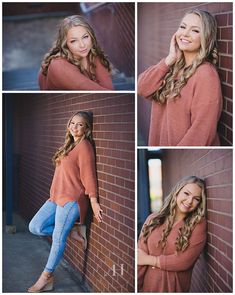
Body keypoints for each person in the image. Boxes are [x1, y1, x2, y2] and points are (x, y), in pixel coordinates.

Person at [28, 111, 102, 292]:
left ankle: (46, 276)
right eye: (72, 123)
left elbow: (88, 175)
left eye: (80, 124)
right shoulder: (69, 145)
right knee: (35, 227)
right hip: (55, 197)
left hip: (71, 200)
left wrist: (93, 201)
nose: (75, 127)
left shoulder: (84, 146)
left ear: (86, 129)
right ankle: (72, 231)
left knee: (57, 238)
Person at [138, 9, 222, 146]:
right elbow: (142, 88)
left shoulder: (206, 74)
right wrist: (169, 59)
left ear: (205, 38)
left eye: (195, 30)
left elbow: (201, 130)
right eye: (183, 27)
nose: (185, 34)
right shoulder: (172, 67)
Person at [138, 176, 207, 292]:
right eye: (186, 193)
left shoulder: (198, 224)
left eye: (196, 199)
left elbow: (184, 261)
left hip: (174, 288)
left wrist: (150, 260)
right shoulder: (153, 219)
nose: (190, 201)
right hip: (148, 287)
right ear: (177, 192)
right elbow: (139, 257)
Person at [39, 15, 114, 90]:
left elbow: (109, 90)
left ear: (91, 36)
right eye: (73, 41)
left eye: (85, 37)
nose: (82, 45)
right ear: (66, 43)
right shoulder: (59, 66)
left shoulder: (92, 53)